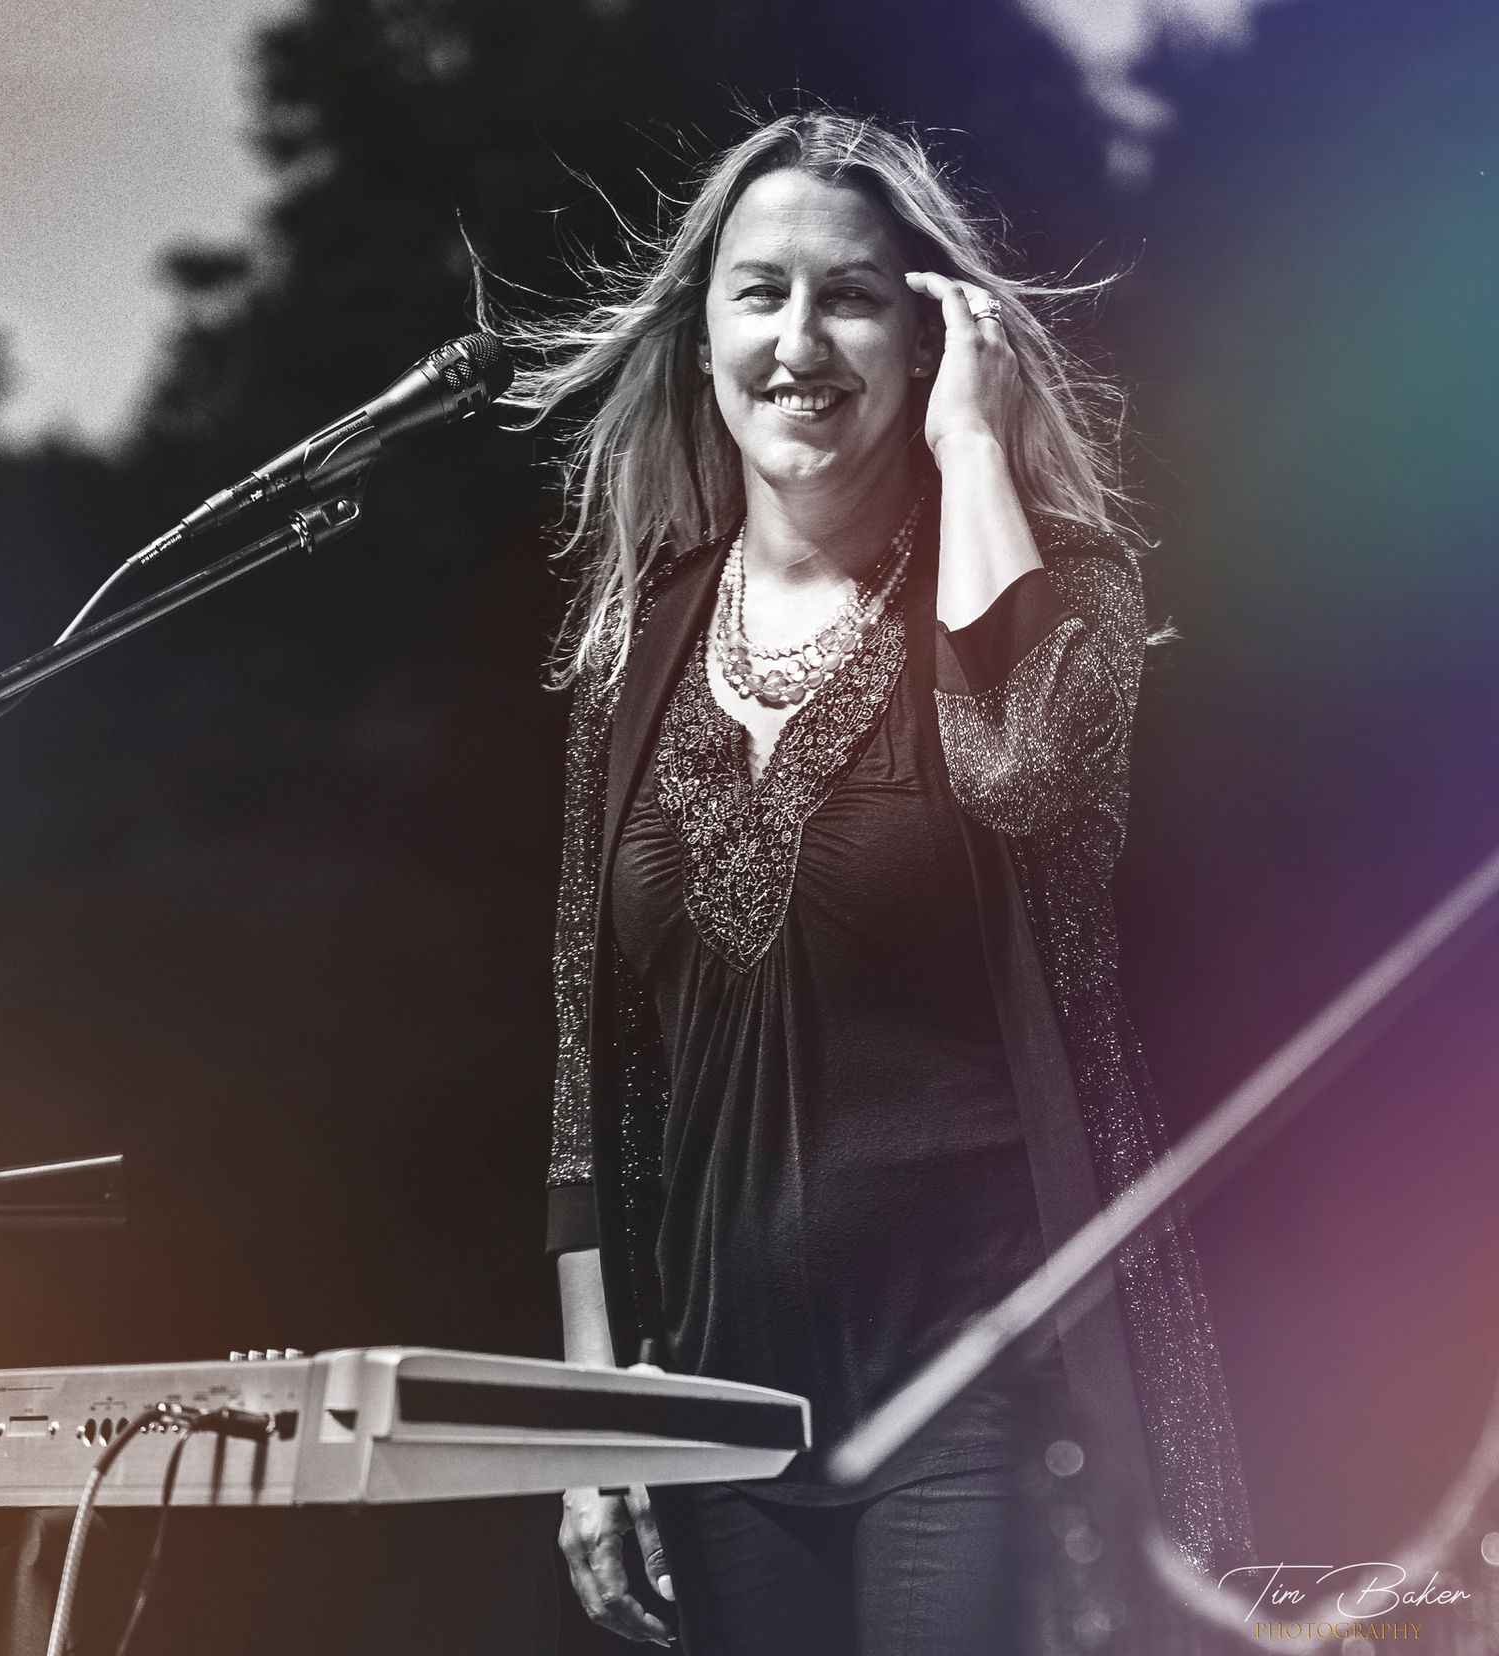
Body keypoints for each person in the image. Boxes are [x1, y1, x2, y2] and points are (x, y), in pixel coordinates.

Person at [508, 111, 1256, 1654]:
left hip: (987, 1396)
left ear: (929, 333)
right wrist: (594, 1424)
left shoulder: (1067, 595)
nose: (800, 340)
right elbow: (591, 1072)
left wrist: (976, 449)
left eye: (850, 296)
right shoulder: (632, 653)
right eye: (759, 292)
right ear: (698, 330)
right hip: (721, 1418)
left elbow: (1024, 774)